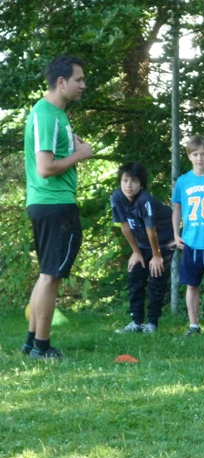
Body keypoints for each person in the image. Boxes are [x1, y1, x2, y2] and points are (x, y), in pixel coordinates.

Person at [22, 55, 94, 360]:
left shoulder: (55, 115)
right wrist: (83, 154)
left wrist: (73, 147)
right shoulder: (48, 114)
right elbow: (45, 167)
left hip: (46, 205)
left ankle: (31, 343)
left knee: (46, 274)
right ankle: (42, 346)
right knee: (51, 276)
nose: (83, 85)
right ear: (61, 82)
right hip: (55, 205)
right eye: (78, 79)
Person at [111, 162, 175, 334]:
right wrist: (136, 252)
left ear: (141, 184)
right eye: (125, 181)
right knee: (135, 277)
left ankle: (152, 323)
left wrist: (157, 255)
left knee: (156, 278)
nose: (128, 185)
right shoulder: (117, 197)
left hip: (162, 242)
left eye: (133, 181)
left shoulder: (145, 200)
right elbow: (124, 226)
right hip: (141, 243)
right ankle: (136, 322)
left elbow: (151, 230)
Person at [172, 135, 204, 337]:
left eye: (203, 154)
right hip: (191, 242)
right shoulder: (184, 181)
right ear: (189, 156)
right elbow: (177, 208)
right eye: (195, 154)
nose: (199, 158)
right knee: (192, 285)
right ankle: (193, 325)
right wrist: (176, 234)